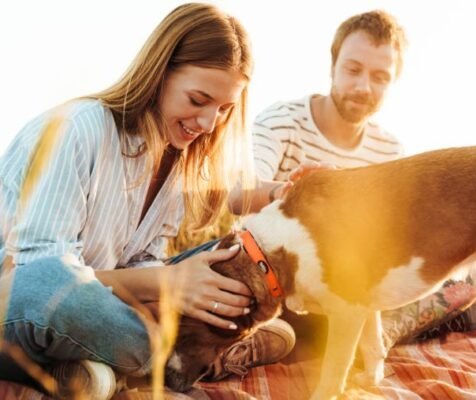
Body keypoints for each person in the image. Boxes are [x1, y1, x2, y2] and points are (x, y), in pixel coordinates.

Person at [0, 3, 295, 399]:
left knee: (235, 259)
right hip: (21, 306)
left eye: (223, 110)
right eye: (197, 100)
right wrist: (168, 284)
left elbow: (140, 264)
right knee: (53, 285)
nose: (208, 124)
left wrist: (180, 286)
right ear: (159, 74)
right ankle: (194, 355)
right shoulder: (76, 129)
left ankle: (100, 369)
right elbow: (39, 276)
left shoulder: (176, 157)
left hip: (102, 309)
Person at [237, 9, 476, 354]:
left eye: (380, 77)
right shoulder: (281, 121)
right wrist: (289, 194)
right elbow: (237, 193)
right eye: (353, 70)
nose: (363, 87)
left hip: (361, 292)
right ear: (333, 66)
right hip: (283, 286)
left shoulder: (389, 149)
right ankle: (310, 338)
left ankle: (383, 336)